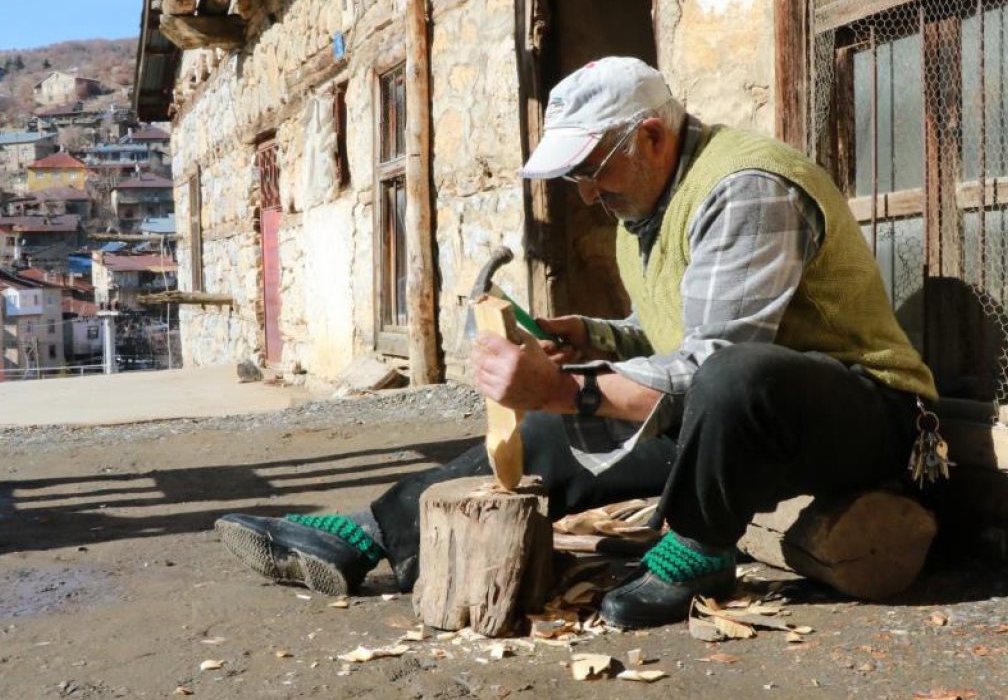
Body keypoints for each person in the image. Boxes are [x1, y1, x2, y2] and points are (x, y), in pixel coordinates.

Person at [215, 56, 937, 629]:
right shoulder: (649, 205)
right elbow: (674, 337)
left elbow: (718, 362)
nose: (588, 193)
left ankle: (701, 552)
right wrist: (590, 339)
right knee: (554, 430)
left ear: (651, 137)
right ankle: (365, 534)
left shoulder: (745, 187)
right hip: (742, 421)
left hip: (871, 420)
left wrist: (570, 385)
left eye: (593, 167)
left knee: (725, 379)